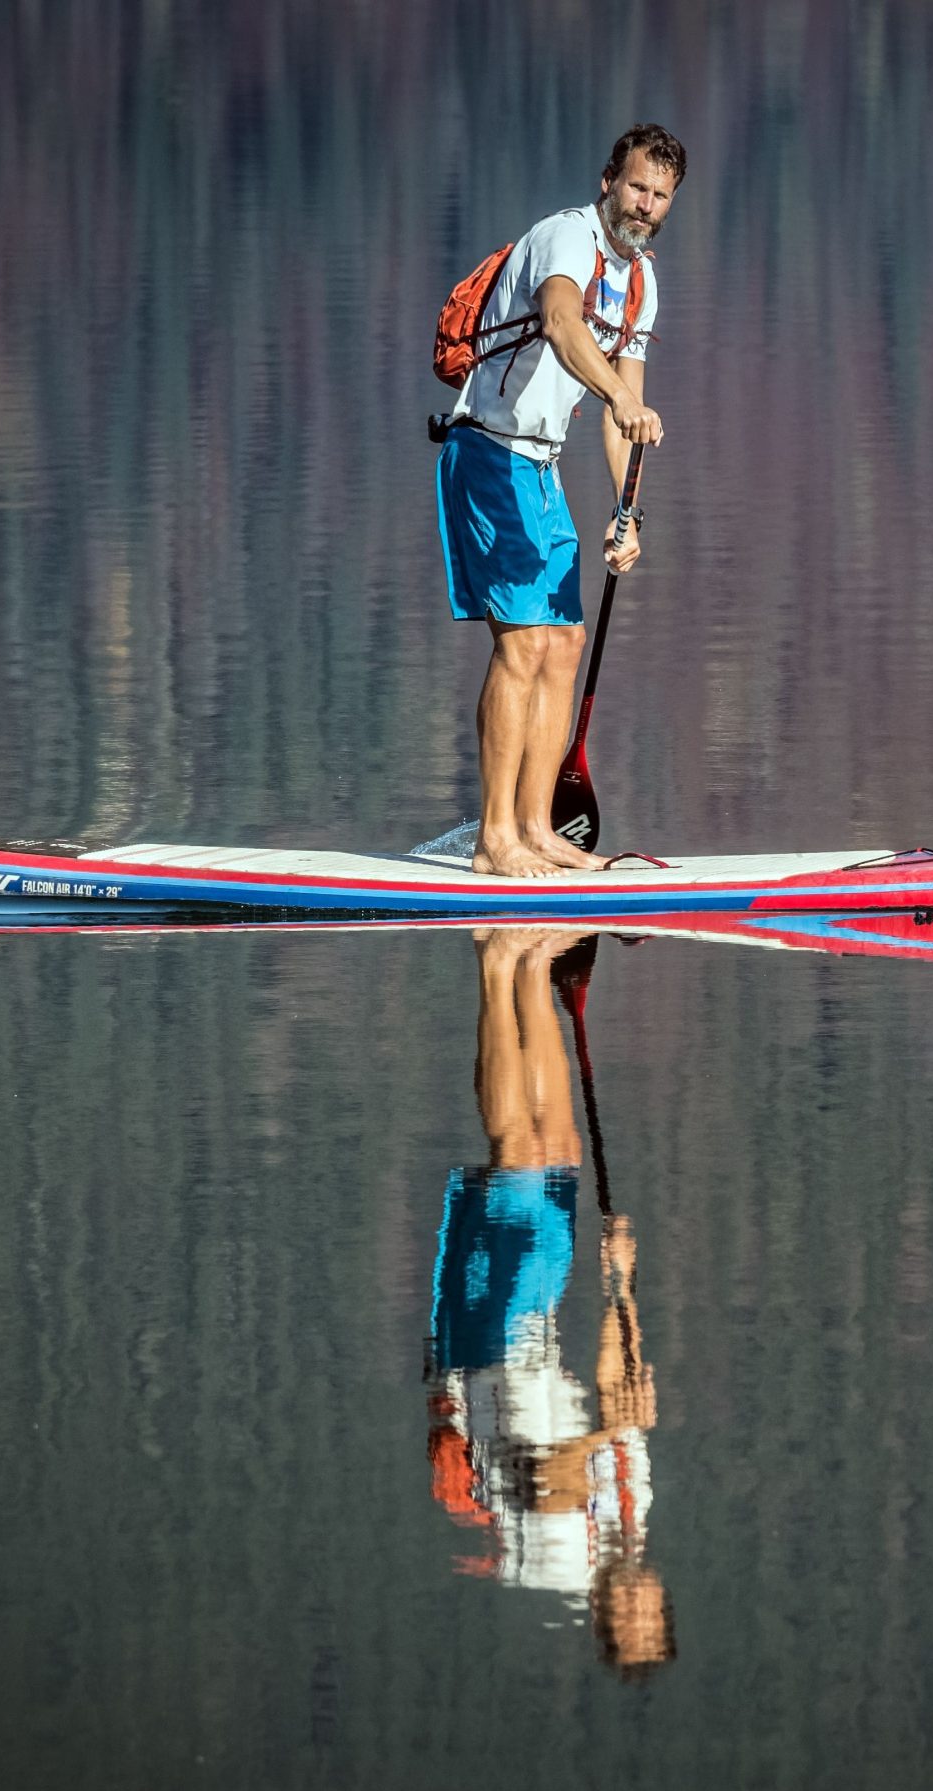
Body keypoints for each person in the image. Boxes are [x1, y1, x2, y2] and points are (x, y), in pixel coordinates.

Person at [435, 124, 685, 879]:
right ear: (609, 178)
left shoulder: (639, 282)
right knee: (523, 645)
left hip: (537, 471)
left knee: (565, 643)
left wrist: (626, 511)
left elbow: (626, 412)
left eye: (661, 197)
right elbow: (562, 325)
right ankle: (493, 839)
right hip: (485, 451)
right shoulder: (565, 240)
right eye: (637, 187)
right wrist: (615, 393)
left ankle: (540, 830)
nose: (645, 206)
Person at [424, 927, 674, 1677]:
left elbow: (550, 1477)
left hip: (486, 1355)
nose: (634, 1606)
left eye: (625, 1623)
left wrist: (611, 1434)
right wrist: (619, 1280)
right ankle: (534, 957)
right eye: (649, 1615)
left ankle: (496, 961)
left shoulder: (564, 1567)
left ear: (600, 1621)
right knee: (560, 1151)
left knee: (518, 1158)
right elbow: (613, 1387)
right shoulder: (633, 1512)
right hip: (535, 1333)